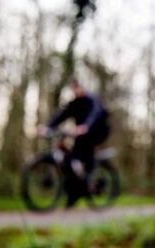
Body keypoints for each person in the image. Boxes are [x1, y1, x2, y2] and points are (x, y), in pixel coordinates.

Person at [39, 79, 110, 207]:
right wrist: (48, 127)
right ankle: (74, 192)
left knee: (84, 152)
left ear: (82, 87)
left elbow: (94, 114)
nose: (76, 90)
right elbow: (61, 115)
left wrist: (86, 126)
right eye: (73, 89)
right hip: (81, 132)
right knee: (71, 157)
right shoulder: (74, 103)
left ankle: (89, 181)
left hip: (97, 130)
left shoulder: (92, 99)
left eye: (77, 87)